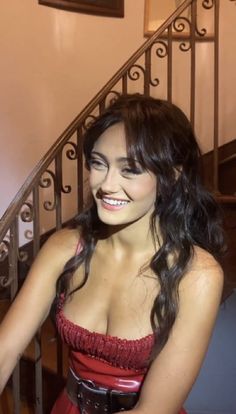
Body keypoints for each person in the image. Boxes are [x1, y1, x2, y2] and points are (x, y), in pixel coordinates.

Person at [0, 94, 225, 414]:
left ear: (172, 176)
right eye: (98, 163)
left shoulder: (197, 275)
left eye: (129, 169)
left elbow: (155, 409)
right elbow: (5, 351)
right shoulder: (65, 247)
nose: (106, 184)